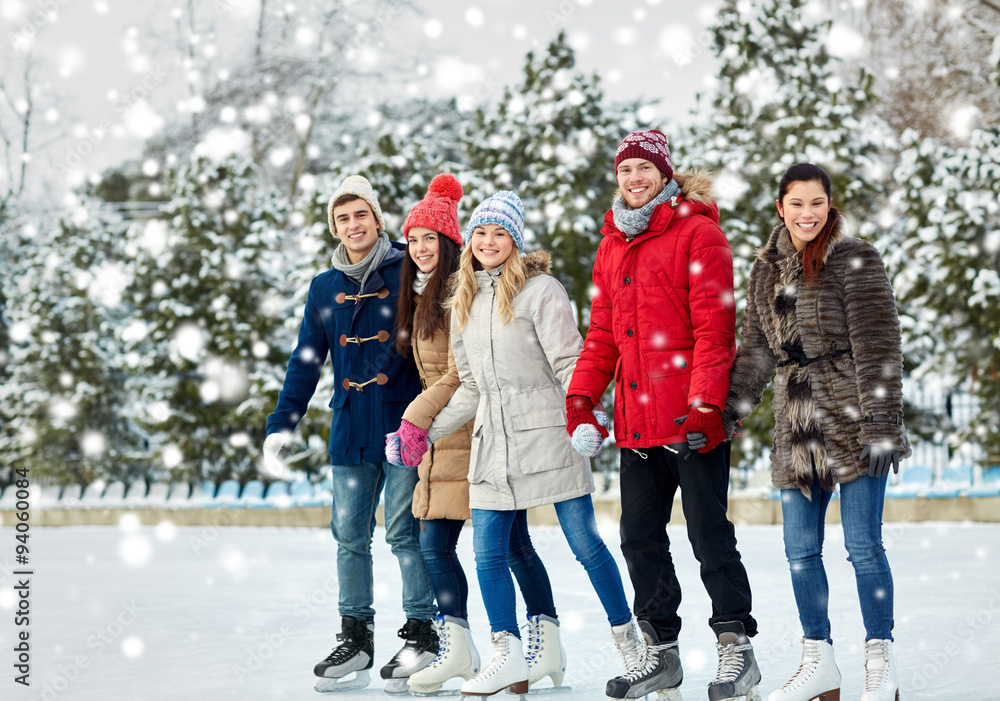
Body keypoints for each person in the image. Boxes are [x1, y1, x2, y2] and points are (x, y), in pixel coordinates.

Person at [392, 190, 642, 698]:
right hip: (492, 444)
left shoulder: (541, 290)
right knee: (488, 554)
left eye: (499, 233)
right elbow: (470, 387)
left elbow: (571, 362)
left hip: (549, 434)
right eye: (481, 232)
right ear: (470, 241)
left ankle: (633, 646)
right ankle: (508, 656)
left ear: (514, 240)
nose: (488, 241)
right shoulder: (462, 298)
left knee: (585, 545)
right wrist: (426, 432)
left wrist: (586, 413)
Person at [566, 128, 761, 701]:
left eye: (644, 170)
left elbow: (715, 329)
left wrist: (706, 405)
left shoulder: (698, 234)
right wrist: (582, 397)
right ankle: (660, 653)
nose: (635, 179)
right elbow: (602, 334)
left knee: (708, 535)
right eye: (626, 171)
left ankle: (736, 647)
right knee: (639, 538)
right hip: (636, 424)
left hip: (692, 424)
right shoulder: (611, 246)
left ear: (664, 173)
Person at [723, 163, 909, 701]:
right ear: (780, 207)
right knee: (800, 551)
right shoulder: (765, 270)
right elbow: (757, 350)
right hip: (795, 420)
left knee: (863, 547)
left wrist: (882, 425)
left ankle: (879, 659)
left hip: (852, 416)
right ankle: (819, 661)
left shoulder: (856, 259)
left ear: (830, 206)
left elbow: (880, 348)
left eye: (817, 204)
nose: (808, 214)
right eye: (797, 204)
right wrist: (732, 408)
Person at [384, 175, 564, 695]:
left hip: (476, 433)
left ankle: (535, 642)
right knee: (444, 545)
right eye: (413, 239)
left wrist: (416, 419)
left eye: (430, 239)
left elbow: (461, 375)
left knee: (505, 547)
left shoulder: (460, 291)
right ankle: (465, 645)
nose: (420, 249)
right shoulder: (420, 296)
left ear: (450, 243)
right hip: (445, 436)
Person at [261, 175, 437, 694]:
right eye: (343, 218)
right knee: (349, 538)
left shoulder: (410, 267)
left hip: (403, 428)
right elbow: (306, 360)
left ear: (377, 219)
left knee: (405, 534)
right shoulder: (324, 285)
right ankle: (356, 641)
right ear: (334, 227)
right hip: (349, 431)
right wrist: (281, 425)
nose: (353, 225)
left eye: (361, 214)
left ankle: (422, 637)